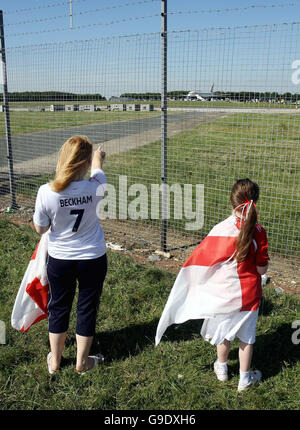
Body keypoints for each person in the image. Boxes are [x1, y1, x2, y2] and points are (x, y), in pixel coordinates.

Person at [155, 178, 269, 392]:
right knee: (246, 338)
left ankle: (222, 368)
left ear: (231, 203)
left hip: (225, 295)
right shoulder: (259, 232)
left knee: (223, 333)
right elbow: (262, 270)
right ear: (255, 202)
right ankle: (245, 379)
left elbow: (202, 260)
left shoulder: (221, 230)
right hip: (250, 296)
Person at [33, 135, 107, 374]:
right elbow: (98, 170)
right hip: (93, 258)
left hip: (60, 259)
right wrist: (98, 158)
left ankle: (55, 361)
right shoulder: (97, 186)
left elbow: (41, 228)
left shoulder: (46, 191)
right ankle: (82, 362)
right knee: (87, 306)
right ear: (85, 164)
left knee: (59, 306)